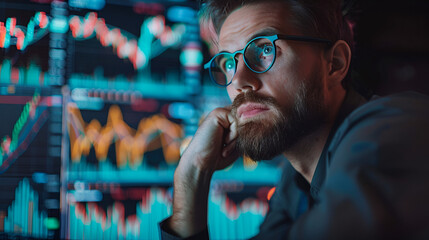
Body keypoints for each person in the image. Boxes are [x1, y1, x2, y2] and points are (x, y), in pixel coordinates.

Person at [159, 0, 429, 239]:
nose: (239, 81)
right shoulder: (296, 181)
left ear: (334, 63)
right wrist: (192, 172)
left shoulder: (393, 129)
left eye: (264, 49)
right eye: (229, 63)